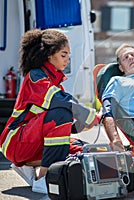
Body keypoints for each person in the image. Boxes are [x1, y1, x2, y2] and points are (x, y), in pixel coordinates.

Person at [0, 29, 101, 194]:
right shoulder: (36, 76)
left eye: (68, 56)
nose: (68, 60)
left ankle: (30, 169)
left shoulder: (55, 83)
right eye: (63, 55)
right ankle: (45, 177)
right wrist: (90, 116)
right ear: (49, 54)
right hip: (14, 142)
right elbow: (60, 104)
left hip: (31, 142)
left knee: (84, 150)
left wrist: (82, 125)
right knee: (62, 112)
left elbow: (60, 127)